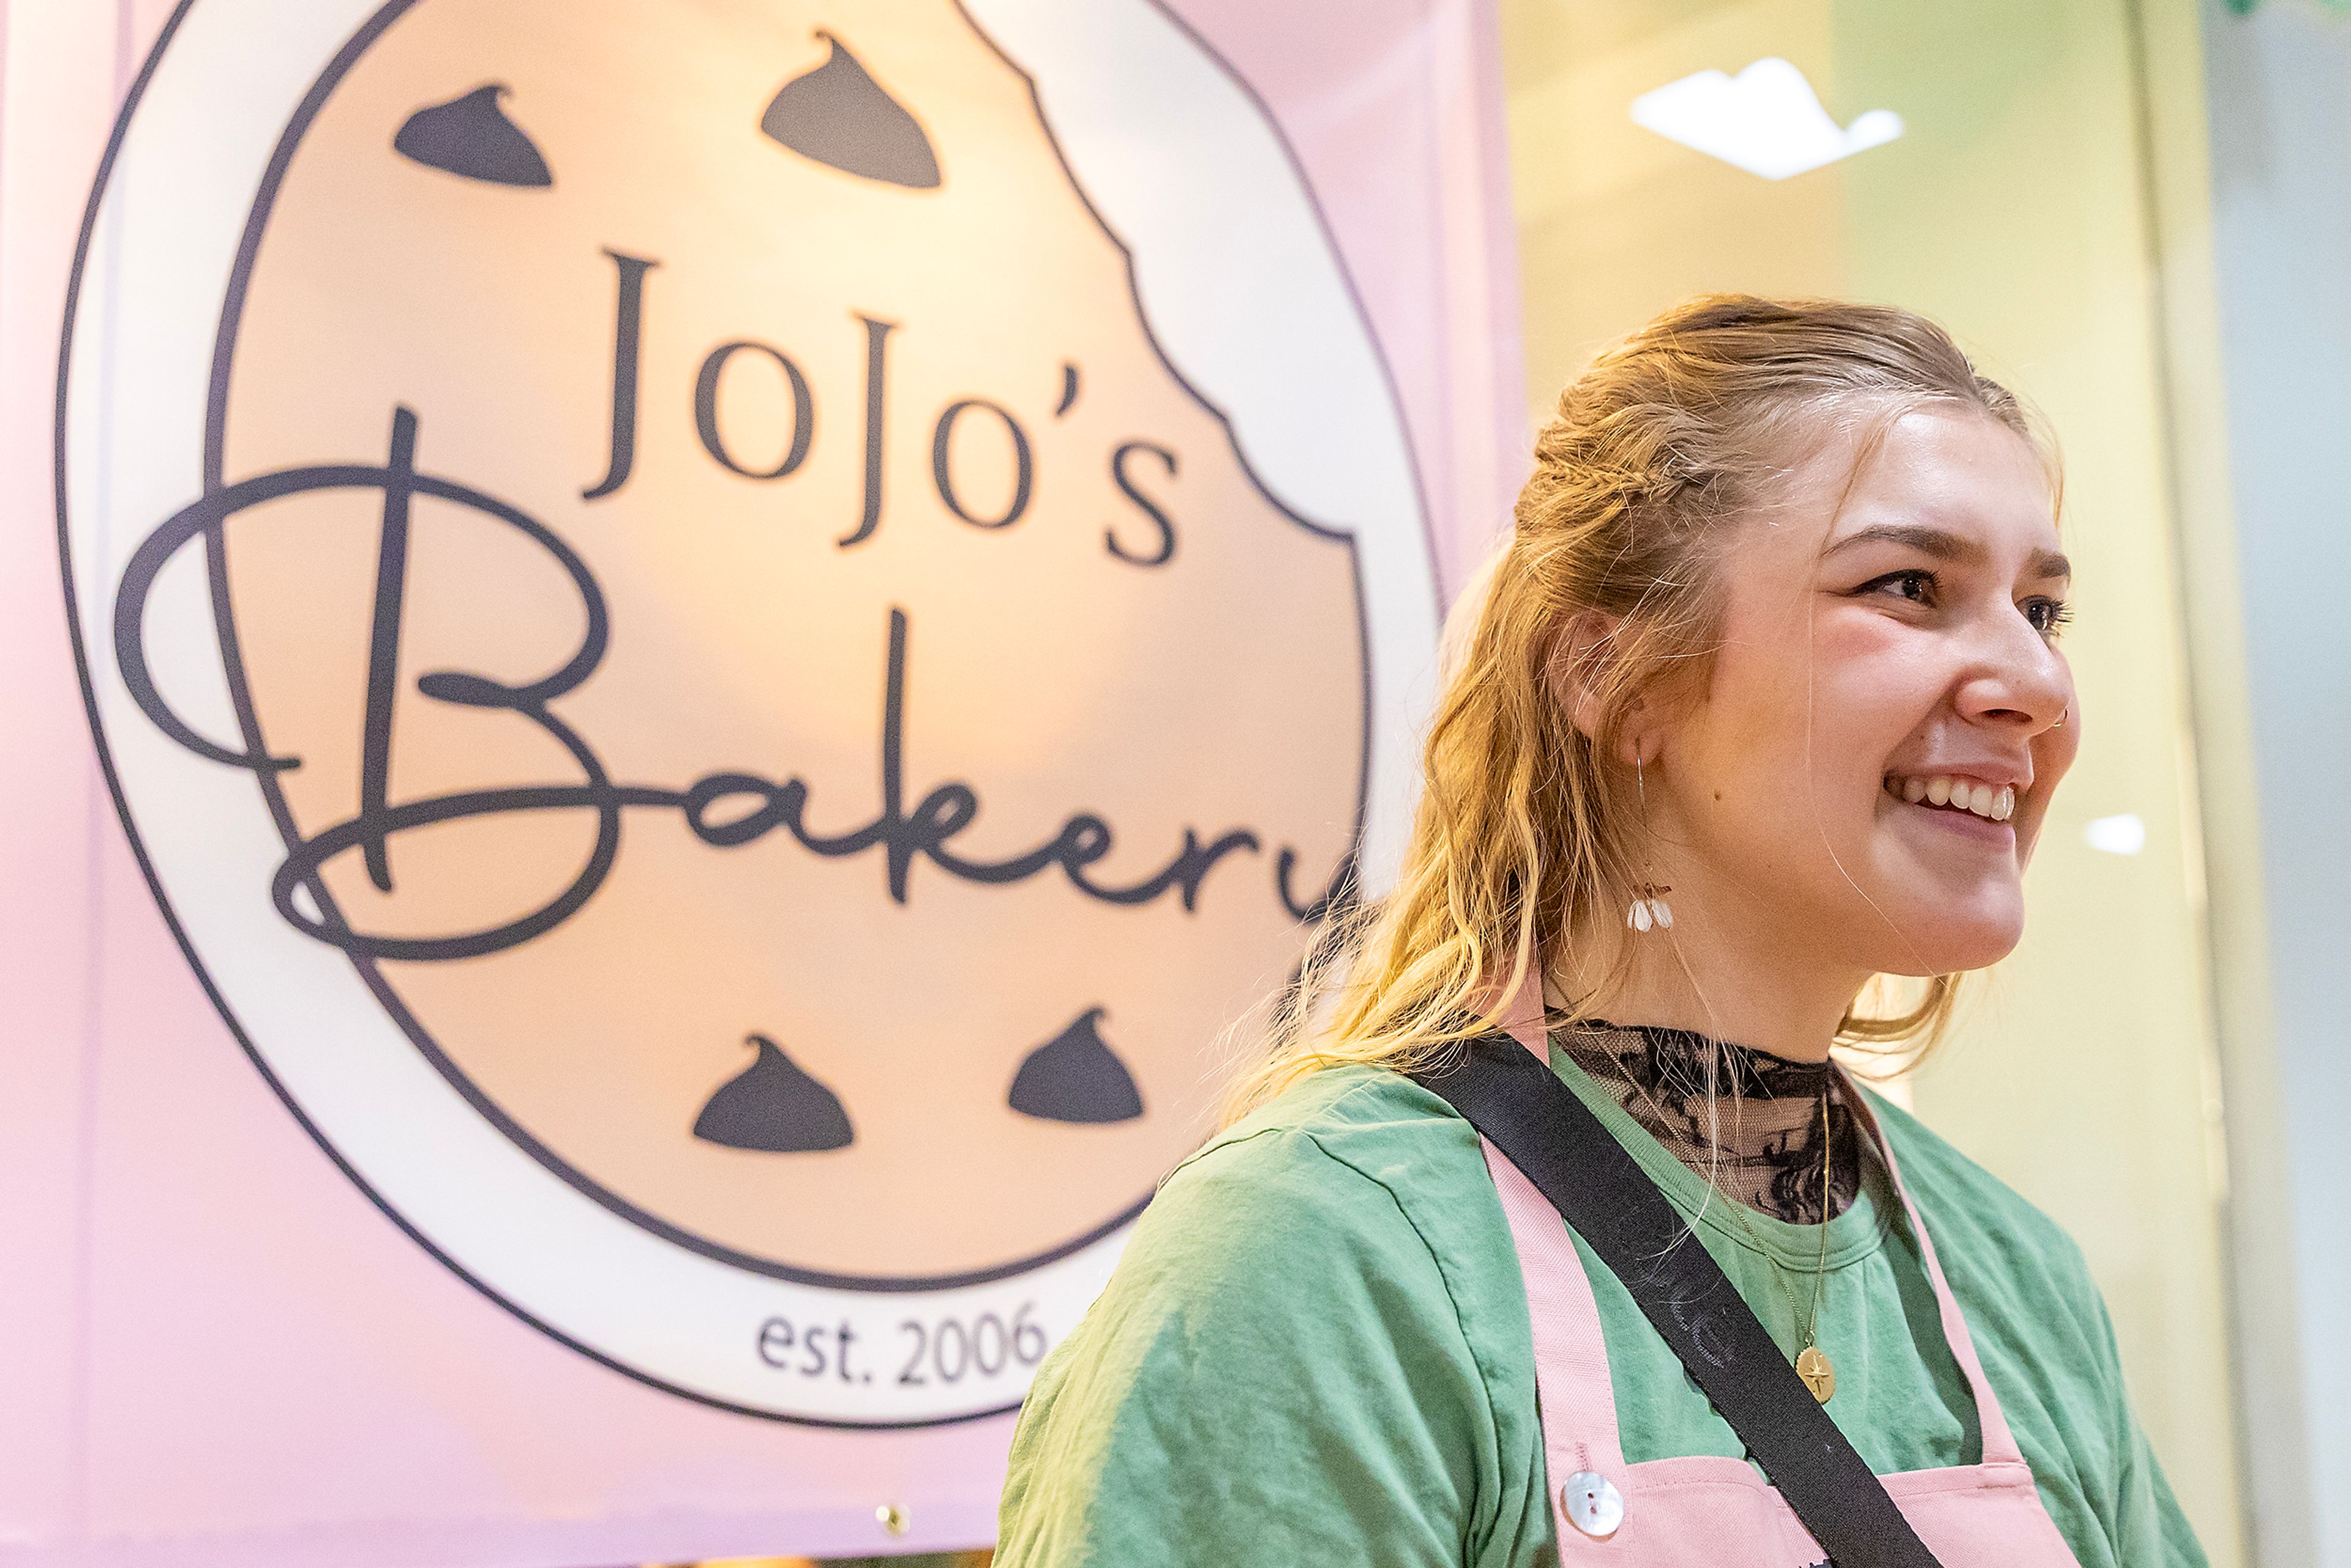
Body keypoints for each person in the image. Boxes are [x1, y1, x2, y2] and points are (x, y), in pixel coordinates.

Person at [992, 296, 2207, 1566]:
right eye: (1910, 586)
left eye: (2044, 611)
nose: (2035, 685)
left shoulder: (2015, 1280)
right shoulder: (1323, 1261)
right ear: (1613, 677)